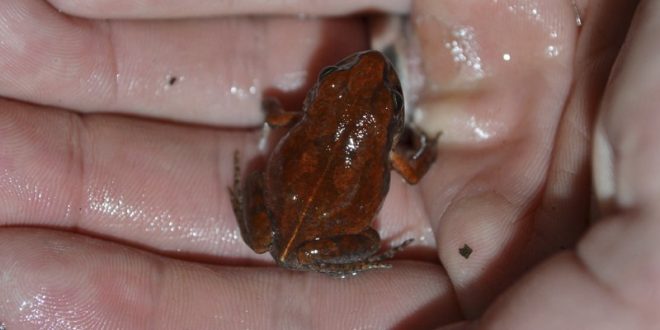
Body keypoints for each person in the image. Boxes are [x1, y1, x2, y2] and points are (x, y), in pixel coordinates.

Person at [0, 0, 655, 328]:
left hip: (279, 214)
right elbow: (417, 169)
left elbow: (269, 106)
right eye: (338, 79)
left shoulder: (298, 116)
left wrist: (272, 127)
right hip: (301, 227)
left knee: (279, 227)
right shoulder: (389, 146)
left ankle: (309, 229)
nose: (351, 73)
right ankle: (358, 254)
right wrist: (421, 144)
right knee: (337, 237)